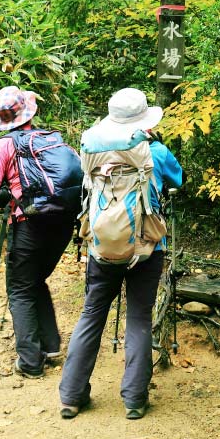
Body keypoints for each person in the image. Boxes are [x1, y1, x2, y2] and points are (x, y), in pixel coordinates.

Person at [58, 88, 183, 421]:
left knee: (91, 314)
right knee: (139, 317)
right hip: (147, 247)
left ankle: (71, 396)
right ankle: (135, 400)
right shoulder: (155, 151)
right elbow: (178, 180)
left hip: (101, 247)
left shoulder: (93, 150)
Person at [0, 86, 75, 379]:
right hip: (62, 224)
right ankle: (50, 346)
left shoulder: (4, 145)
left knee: (20, 289)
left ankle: (30, 362)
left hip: (29, 226)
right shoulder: (52, 140)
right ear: (28, 113)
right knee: (35, 281)